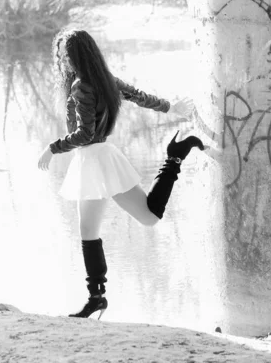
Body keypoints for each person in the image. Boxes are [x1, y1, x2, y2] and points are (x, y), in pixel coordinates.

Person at [37, 28, 196, 320]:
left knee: (132, 222)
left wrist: (53, 147)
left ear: (79, 56)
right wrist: (171, 107)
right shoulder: (104, 80)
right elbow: (138, 96)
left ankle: (175, 156)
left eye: (67, 57)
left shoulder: (82, 87)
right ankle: (96, 298)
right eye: (62, 58)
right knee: (110, 226)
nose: (64, 63)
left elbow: (84, 134)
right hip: (101, 159)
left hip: (93, 160)